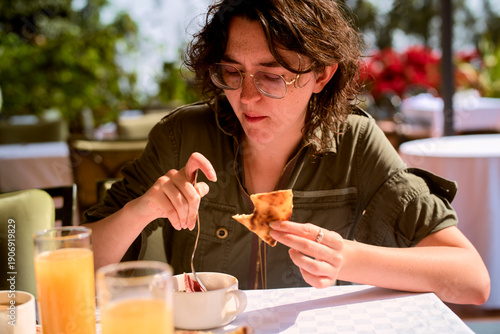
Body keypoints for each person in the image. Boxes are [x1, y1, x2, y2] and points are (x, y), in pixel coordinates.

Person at [83, 0, 490, 305]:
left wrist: (345, 257)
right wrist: (141, 210)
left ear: (321, 75)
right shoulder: (180, 138)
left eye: (271, 77)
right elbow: (79, 268)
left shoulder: (354, 142)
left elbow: (472, 279)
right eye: (232, 72)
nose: (244, 97)